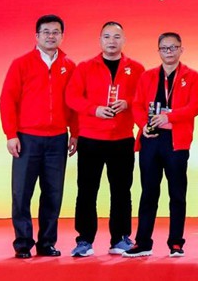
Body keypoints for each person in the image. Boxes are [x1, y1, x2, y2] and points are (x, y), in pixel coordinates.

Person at [0, 15, 77, 258]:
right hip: (27, 138)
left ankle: (46, 243)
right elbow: (7, 100)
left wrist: (75, 133)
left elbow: (73, 103)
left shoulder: (69, 65)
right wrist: (11, 134)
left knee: (53, 193)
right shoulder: (21, 64)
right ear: (37, 36)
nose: (51, 36)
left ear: (62, 36)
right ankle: (23, 242)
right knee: (21, 193)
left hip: (57, 139)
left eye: (56, 32)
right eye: (46, 32)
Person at [65, 21, 145, 257]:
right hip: (91, 139)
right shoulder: (85, 67)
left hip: (122, 138)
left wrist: (127, 103)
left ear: (124, 40)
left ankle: (120, 239)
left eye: (117, 37)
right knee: (87, 190)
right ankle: (84, 240)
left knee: (121, 191)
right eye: (107, 36)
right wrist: (94, 109)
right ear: (100, 40)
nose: (112, 41)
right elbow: (72, 97)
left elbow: (143, 98)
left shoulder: (136, 68)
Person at [125, 32, 198, 258]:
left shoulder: (192, 76)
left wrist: (169, 117)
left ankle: (176, 242)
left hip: (176, 142)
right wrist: (144, 125)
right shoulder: (147, 76)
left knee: (177, 193)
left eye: (173, 47)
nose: (169, 52)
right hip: (151, 140)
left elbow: (195, 106)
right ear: (158, 51)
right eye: (164, 48)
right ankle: (143, 242)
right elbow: (137, 105)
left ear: (181, 49)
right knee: (148, 193)